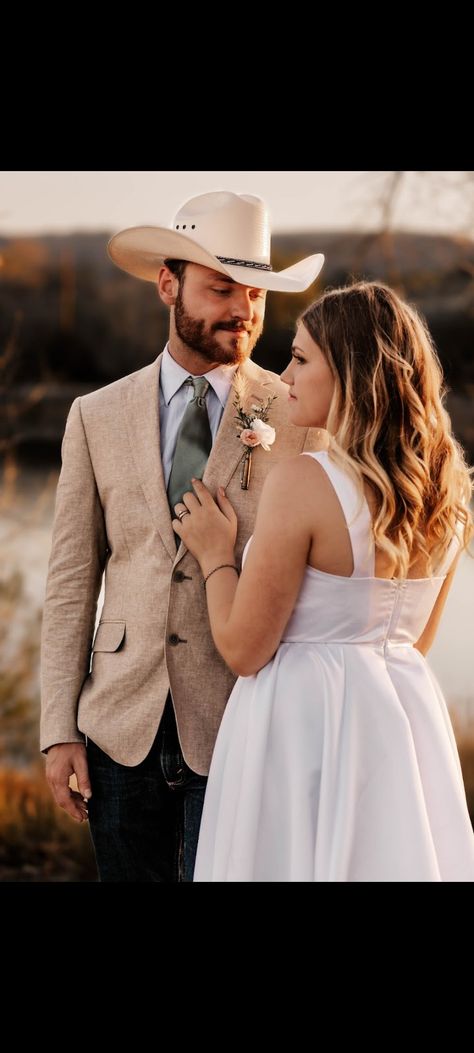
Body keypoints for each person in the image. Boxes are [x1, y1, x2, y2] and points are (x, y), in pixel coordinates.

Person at [40, 189, 325, 882]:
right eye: (221, 287)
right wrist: (58, 730)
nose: (243, 309)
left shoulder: (301, 417)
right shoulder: (92, 416)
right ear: (168, 285)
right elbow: (73, 578)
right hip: (116, 723)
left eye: (254, 291)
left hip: (243, 720)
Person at [172, 280, 474, 882]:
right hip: (401, 729)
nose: (284, 375)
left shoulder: (305, 481)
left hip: (299, 729)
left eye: (302, 359)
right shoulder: (451, 488)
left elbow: (244, 649)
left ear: (352, 376)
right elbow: (415, 643)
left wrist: (214, 555)